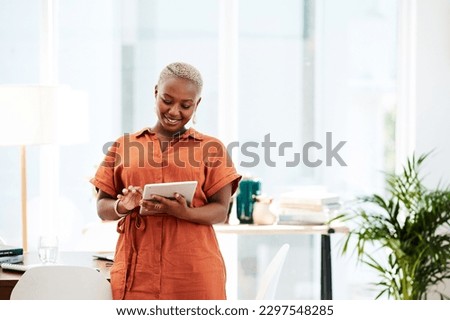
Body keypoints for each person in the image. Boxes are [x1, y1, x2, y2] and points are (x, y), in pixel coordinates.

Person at [90, 62, 241, 300]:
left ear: (197, 104)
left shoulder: (211, 148)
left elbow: (220, 211)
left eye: (186, 105)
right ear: (155, 93)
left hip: (194, 273)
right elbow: (102, 208)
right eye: (167, 100)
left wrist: (184, 212)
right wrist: (123, 206)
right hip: (137, 273)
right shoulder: (124, 145)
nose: (173, 112)